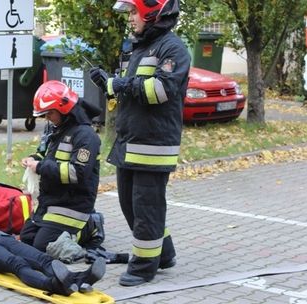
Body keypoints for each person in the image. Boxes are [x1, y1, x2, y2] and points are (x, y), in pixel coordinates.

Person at [89, 0, 190, 286]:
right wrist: (107, 82)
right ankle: (164, 253)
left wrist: (119, 84)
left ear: (152, 11)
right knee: (130, 204)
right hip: (130, 140)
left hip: (154, 144)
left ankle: (145, 266)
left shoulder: (173, 49)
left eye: (134, 12)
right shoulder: (139, 47)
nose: (130, 18)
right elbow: (127, 88)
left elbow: (160, 90)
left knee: (147, 207)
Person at [19, 80, 103, 253]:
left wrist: (41, 167)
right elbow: (47, 156)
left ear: (63, 109)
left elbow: (76, 173)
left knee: (43, 246)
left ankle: (90, 226)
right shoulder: (58, 129)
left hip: (73, 205)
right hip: (51, 202)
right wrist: (33, 159)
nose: (46, 118)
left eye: (49, 114)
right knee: (27, 239)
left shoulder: (85, 136)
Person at [0, 218, 106, 295]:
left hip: (4, 238)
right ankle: (53, 285)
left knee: (42, 258)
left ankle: (81, 278)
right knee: (16, 262)